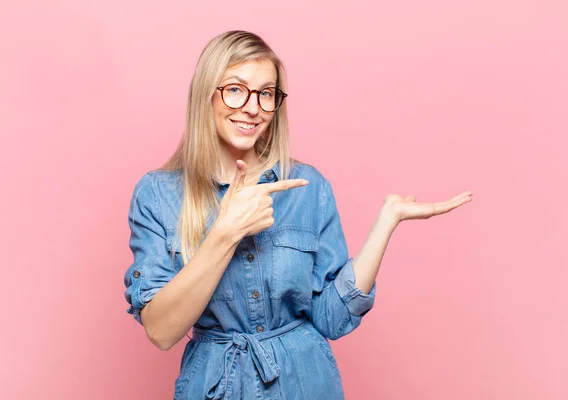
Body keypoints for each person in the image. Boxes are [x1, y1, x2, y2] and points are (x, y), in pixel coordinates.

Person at [123, 30, 472, 400]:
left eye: (266, 93)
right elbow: (161, 332)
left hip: (307, 382)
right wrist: (225, 232)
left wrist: (387, 221)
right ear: (206, 95)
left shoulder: (308, 186)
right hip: (214, 385)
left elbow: (331, 319)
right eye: (236, 89)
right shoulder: (158, 195)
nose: (253, 107)